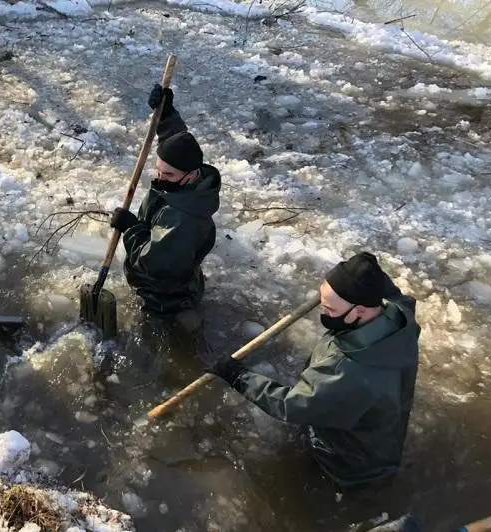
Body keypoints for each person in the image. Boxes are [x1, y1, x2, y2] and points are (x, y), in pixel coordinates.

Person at [210, 252, 421, 490]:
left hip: (349, 462)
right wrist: (359, 270)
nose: (324, 314)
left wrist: (238, 376)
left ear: (360, 311)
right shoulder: (399, 315)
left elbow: (292, 405)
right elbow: (387, 288)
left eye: (330, 310)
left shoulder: (346, 369)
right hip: (381, 433)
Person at [109, 85, 221, 334]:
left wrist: (131, 228)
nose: (160, 178)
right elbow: (176, 142)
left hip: (164, 297)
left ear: (191, 175)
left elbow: (154, 264)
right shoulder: (189, 178)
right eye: (158, 170)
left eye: (168, 174)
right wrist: (166, 112)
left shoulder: (183, 218)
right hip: (175, 272)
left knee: (161, 337)